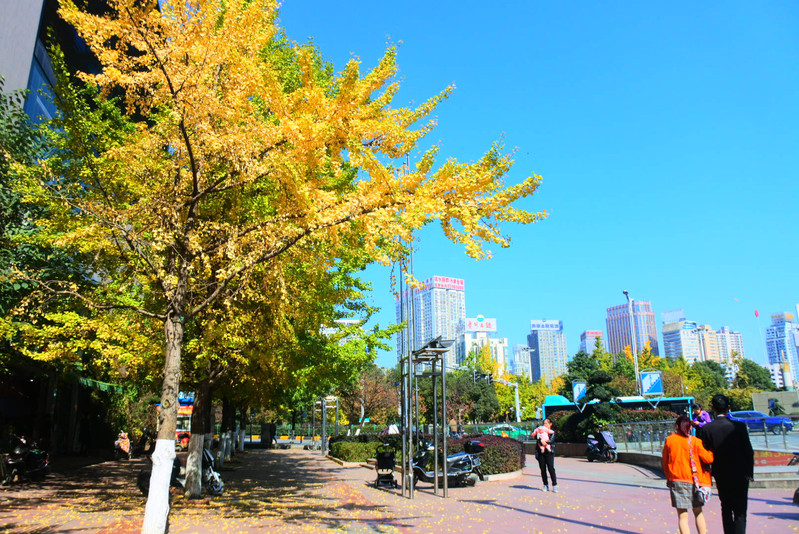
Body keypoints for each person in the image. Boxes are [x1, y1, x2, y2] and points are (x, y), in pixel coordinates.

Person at [698, 393, 754, 534]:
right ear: (729, 408)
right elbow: (748, 451)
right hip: (741, 473)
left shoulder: (707, 429)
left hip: (721, 472)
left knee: (726, 507)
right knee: (741, 509)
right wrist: (749, 473)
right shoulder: (739, 427)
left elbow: (703, 454)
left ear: (713, 408)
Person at [662, 414, 714, 534]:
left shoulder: (670, 440)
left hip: (677, 480)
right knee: (698, 512)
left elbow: (665, 461)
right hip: (695, 481)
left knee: (682, 516)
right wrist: (711, 451)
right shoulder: (695, 442)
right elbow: (708, 459)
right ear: (690, 428)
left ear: (676, 426)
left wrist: (668, 477)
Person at [532, 418, 558, 492]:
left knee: (551, 468)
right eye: (544, 423)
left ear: (550, 424)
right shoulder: (540, 431)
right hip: (541, 452)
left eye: (546, 423)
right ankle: (545, 484)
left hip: (549, 452)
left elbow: (551, 440)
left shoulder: (552, 432)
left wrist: (545, 442)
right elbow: (537, 439)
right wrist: (541, 441)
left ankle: (554, 485)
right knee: (543, 469)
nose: (545, 425)